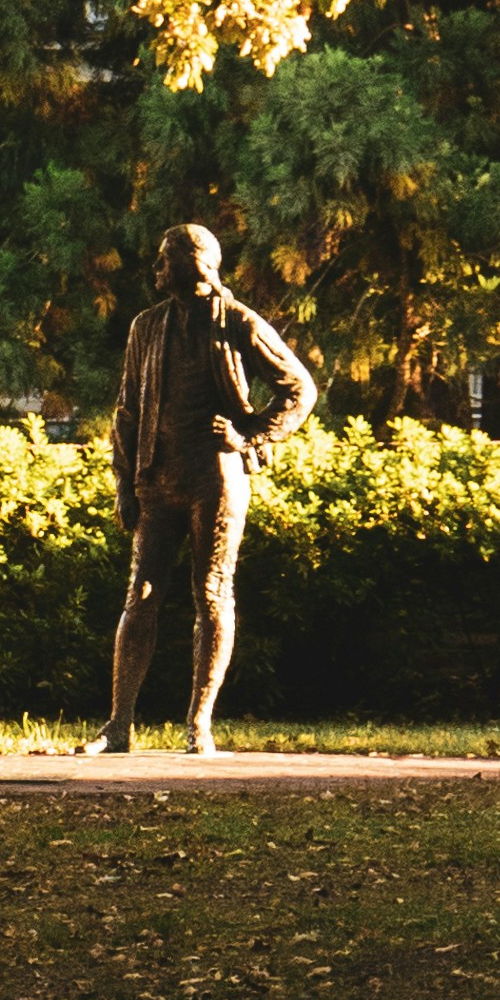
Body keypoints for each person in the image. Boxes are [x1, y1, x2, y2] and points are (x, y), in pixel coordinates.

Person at [92, 224, 317, 757]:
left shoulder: (237, 322)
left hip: (215, 479)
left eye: (164, 261)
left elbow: (299, 388)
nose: (156, 271)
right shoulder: (146, 326)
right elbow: (126, 409)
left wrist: (252, 436)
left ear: (195, 265)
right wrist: (124, 480)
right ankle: (118, 725)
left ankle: (199, 724)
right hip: (156, 479)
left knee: (212, 594)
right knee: (139, 597)